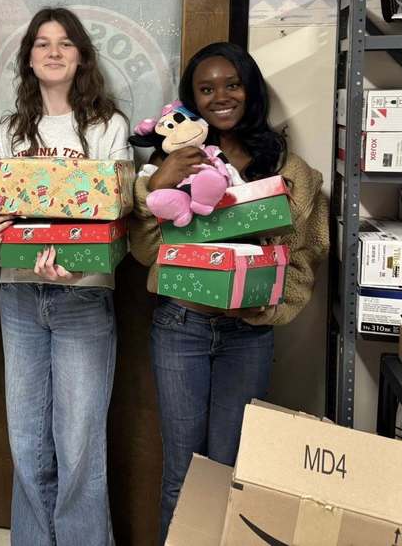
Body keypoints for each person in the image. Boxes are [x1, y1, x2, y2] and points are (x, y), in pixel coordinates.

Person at [127, 41, 329, 545]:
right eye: (206, 89)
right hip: (181, 327)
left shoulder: (288, 170)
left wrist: (274, 309)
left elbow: (305, 253)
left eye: (232, 84)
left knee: (232, 467)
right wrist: (154, 188)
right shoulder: (175, 162)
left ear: (250, 90)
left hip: (248, 334)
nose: (221, 96)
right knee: (182, 470)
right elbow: (146, 252)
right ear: (191, 101)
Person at [0, 7, 130, 546]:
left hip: (83, 298)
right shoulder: (10, 131)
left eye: (65, 43)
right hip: (19, 295)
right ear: (29, 58)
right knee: (27, 441)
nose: (54, 52)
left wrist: (82, 257)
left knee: (79, 443)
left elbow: (120, 213)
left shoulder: (108, 126)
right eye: (42, 43)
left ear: (81, 55)